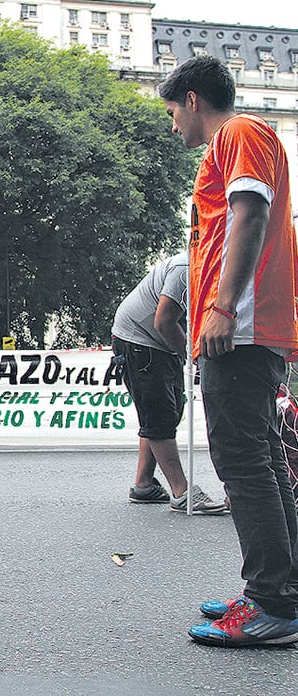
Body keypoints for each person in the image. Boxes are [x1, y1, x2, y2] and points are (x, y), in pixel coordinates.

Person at [160, 55, 298, 647]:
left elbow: (250, 215)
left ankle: (273, 602)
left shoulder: (237, 132)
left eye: (172, 113)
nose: (174, 129)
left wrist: (220, 307)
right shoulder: (246, 139)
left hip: (239, 326)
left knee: (243, 462)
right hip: (253, 325)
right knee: (264, 459)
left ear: (193, 99)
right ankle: (282, 589)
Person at [112, 251, 225, 514]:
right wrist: (194, 358)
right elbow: (163, 321)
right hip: (139, 338)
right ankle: (182, 492)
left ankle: (143, 484)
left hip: (163, 341)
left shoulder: (214, 267)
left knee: (169, 410)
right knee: (159, 413)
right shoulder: (187, 268)